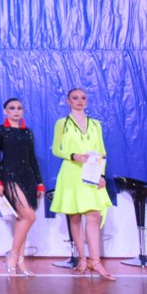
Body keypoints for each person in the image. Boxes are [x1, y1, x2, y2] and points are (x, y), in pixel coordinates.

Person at [50, 88, 116, 281]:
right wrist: (73, 156)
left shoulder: (95, 124)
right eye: (75, 98)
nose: (79, 101)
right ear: (68, 101)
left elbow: (101, 151)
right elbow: (56, 149)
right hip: (71, 172)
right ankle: (82, 259)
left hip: (91, 172)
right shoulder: (62, 123)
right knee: (75, 216)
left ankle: (95, 261)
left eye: (83, 98)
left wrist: (101, 174)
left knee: (94, 215)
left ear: (87, 101)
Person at [0, 98, 44, 277]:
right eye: (12, 108)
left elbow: (32, 158)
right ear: (5, 111)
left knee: (23, 219)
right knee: (29, 216)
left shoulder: (27, 132)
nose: (16, 111)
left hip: (27, 177)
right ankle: (12, 254)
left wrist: (40, 182)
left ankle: (20, 261)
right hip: (9, 176)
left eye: (19, 108)